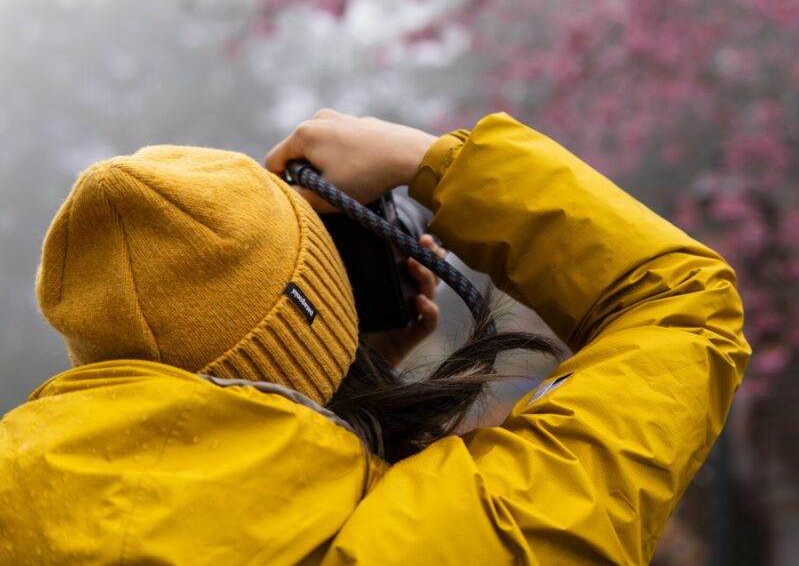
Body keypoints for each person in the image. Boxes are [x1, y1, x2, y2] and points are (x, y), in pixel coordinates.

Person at [0, 111, 750, 564]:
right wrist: (434, 162)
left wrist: (334, 395)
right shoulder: (465, 530)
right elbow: (682, 301)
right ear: (328, 316)